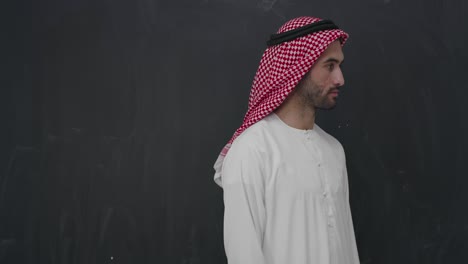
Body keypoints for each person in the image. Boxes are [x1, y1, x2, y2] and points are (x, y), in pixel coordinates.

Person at [213, 16, 360, 264]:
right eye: (330, 65)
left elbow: (346, 246)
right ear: (299, 67)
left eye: (340, 66)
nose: (340, 79)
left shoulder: (334, 150)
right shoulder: (252, 149)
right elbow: (244, 255)